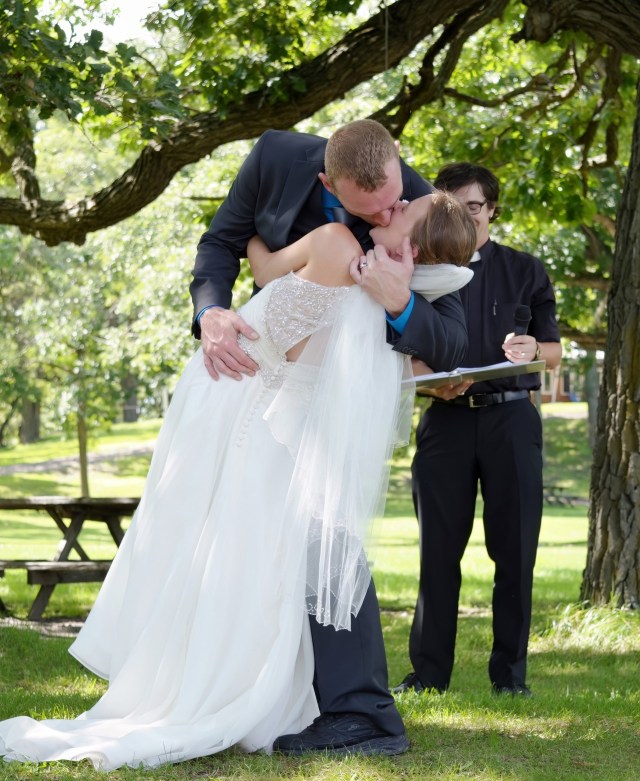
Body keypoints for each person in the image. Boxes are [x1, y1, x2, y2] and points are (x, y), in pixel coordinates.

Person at [0, 192, 476, 770]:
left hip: (269, 426)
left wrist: (275, 254)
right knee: (270, 562)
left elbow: (278, 284)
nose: (396, 201)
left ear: (412, 243)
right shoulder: (349, 253)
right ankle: (318, 701)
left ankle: (354, 711)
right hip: (276, 427)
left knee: (285, 556)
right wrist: (215, 308)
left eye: (404, 209)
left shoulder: (352, 260)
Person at [189, 119, 468, 755]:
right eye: (371, 209)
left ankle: (362, 711)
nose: (388, 213)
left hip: (322, 398)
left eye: (393, 202)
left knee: (325, 535)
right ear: (327, 180)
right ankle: (302, 694)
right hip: (260, 381)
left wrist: (398, 301)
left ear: (399, 162)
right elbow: (223, 247)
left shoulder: (422, 208)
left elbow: (451, 341)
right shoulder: (274, 157)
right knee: (277, 542)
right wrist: (210, 312)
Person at [393, 163, 562, 698]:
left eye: (473, 207)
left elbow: (553, 351)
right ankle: (428, 676)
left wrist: (533, 349)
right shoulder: (416, 270)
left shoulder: (525, 269)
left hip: (512, 419)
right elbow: (394, 356)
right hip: (443, 421)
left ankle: (510, 678)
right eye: (452, 204)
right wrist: (429, 388)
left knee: (515, 551)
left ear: (491, 210)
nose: (463, 215)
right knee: (437, 551)